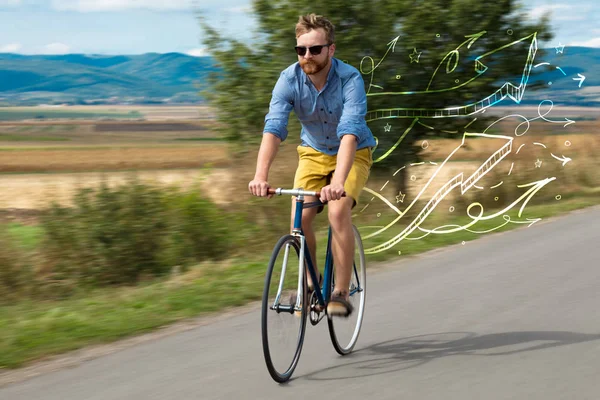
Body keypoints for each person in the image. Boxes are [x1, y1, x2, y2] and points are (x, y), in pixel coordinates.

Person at [248, 13, 376, 317]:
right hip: (313, 153)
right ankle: (311, 282)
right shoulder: (288, 80)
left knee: (337, 208)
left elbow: (349, 132)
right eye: (301, 50)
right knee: (299, 218)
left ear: (330, 49)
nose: (307, 56)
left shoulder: (350, 79)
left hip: (354, 151)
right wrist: (260, 176)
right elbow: (274, 128)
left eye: (315, 49)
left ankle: (340, 292)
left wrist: (338, 182)